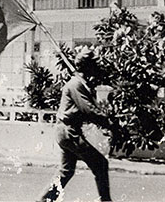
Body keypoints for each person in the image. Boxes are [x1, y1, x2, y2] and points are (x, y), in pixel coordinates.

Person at [38, 47, 113, 202]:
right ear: (88, 66)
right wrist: (109, 122)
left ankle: (44, 200)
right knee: (100, 164)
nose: (97, 68)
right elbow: (89, 111)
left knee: (66, 171)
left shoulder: (80, 84)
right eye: (94, 65)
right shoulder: (76, 85)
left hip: (65, 131)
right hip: (69, 131)